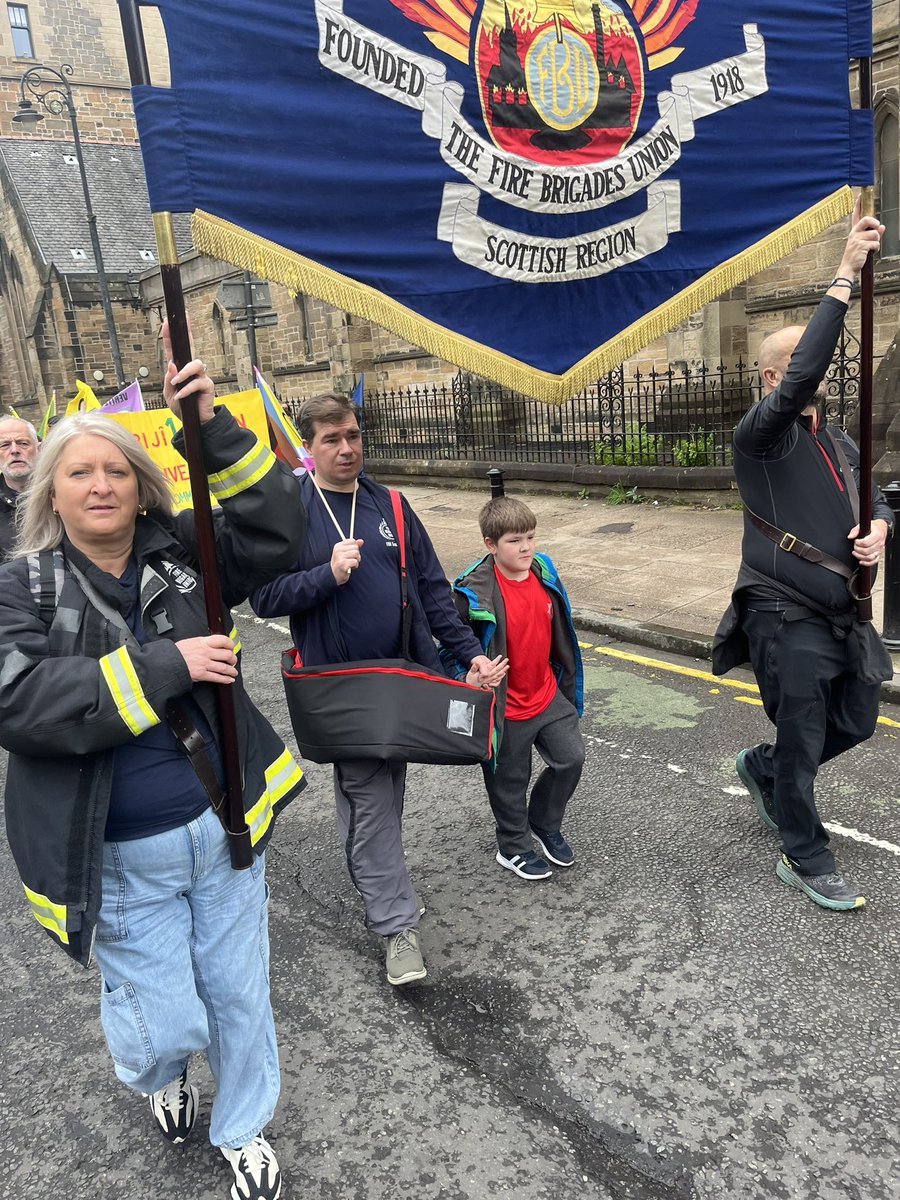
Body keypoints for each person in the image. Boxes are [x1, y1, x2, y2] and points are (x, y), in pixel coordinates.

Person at [0, 325, 306, 1200]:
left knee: (242, 999)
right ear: (50, 493)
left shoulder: (184, 560)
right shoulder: (20, 589)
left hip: (223, 828)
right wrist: (168, 666)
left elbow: (280, 535)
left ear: (142, 489)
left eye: (118, 470)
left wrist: (210, 428)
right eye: (79, 471)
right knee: (164, 1017)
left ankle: (241, 1123)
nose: (101, 483)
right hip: (118, 854)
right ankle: (159, 1071)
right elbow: (17, 702)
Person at [251, 392, 504, 987]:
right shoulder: (293, 507)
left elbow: (434, 591)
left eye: (353, 435)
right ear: (308, 450)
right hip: (342, 687)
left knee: (382, 786)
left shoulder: (390, 503)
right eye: (332, 440)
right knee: (372, 794)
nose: (347, 448)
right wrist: (326, 575)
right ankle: (395, 926)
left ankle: (369, 863)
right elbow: (263, 598)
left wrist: (468, 657)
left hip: (403, 675)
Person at [713, 204, 893, 912]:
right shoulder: (759, 437)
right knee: (807, 725)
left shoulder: (841, 442)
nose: (808, 375)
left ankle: (765, 770)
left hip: (845, 610)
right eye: (793, 368)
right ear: (770, 380)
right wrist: (844, 276)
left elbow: (875, 502)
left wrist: (880, 530)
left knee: (859, 718)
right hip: (783, 612)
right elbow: (804, 371)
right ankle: (804, 853)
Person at [442, 496, 585, 879]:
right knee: (509, 781)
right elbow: (446, 650)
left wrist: (567, 680)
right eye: (514, 540)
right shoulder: (471, 591)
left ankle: (542, 823)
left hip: (546, 692)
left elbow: (560, 630)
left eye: (530, 537)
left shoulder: (543, 570)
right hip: (504, 706)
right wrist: (468, 678)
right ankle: (513, 844)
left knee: (570, 759)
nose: (525, 548)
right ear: (490, 544)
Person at [0, 415, 39, 559]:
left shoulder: (63, 494)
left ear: (38, 449)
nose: (14, 450)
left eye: (22, 443)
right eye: (4, 445)